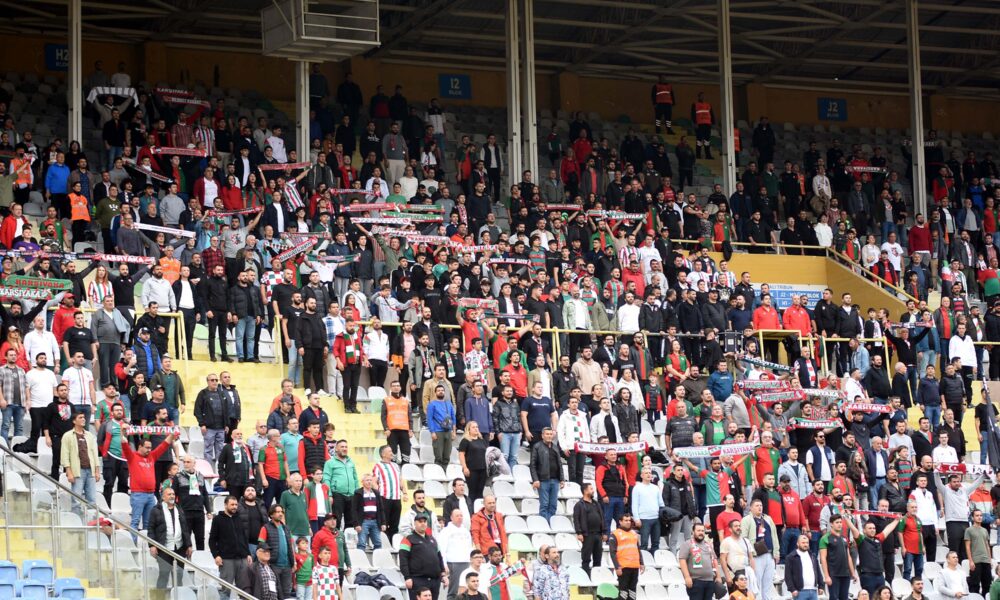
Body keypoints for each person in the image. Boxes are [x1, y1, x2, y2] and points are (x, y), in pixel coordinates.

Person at [122, 433, 176, 534]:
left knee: (149, 524)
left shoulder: (152, 456)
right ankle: (133, 543)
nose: (149, 450)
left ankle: (147, 544)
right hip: (138, 494)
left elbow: (164, 445)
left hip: (151, 495)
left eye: (150, 448)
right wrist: (122, 432)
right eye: (147, 447)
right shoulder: (132, 456)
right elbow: (124, 445)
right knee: (135, 522)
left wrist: (172, 434)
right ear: (140, 447)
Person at [149, 486, 193, 589]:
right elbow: (151, 528)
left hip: (179, 548)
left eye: (173, 494)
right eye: (169, 494)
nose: (172, 496)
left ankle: (178, 596)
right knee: (163, 576)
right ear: (163, 497)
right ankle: (160, 596)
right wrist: (152, 545)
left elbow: (185, 528)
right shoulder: (156, 510)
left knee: (178, 577)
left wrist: (189, 545)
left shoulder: (179, 508)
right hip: (164, 548)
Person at [209, 495, 251, 600]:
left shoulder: (239, 518)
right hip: (226, 560)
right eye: (232, 504)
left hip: (242, 559)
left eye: (236, 504)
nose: (234, 507)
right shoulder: (217, 519)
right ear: (225, 505)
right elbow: (212, 540)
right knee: (225, 590)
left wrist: (248, 553)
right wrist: (216, 555)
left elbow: (244, 538)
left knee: (244, 590)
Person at [399, 514, 447, 600]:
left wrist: (443, 574)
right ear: (414, 523)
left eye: (424, 521)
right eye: (420, 522)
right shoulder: (408, 539)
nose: (423, 523)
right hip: (417, 580)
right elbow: (403, 559)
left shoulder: (433, 539)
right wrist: (407, 577)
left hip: (434, 581)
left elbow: (439, 557)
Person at [742, 498, 779, 600]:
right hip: (756, 556)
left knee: (768, 584)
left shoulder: (768, 519)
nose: (760, 507)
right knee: (756, 584)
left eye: (761, 505)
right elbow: (743, 538)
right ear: (751, 508)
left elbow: (774, 536)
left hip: (769, 554)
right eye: (757, 505)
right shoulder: (746, 520)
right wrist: (749, 555)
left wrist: (776, 552)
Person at [61, 410, 99, 508]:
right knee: (76, 501)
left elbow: (95, 454)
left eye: (84, 417)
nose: (83, 419)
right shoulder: (67, 436)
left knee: (92, 500)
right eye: (80, 418)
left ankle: (91, 518)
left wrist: (97, 471)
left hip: (90, 471)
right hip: (77, 471)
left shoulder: (90, 435)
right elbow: (65, 455)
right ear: (74, 421)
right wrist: (69, 472)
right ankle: (76, 518)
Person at [174, 454, 213, 551]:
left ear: (194, 464)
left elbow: (205, 494)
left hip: (199, 511)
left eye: (188, 462)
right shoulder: (178, 476)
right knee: (185, 538)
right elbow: (173, 494)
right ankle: (183, 559)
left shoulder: (200, 476)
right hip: (185, 511)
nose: (185, 464)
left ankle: (200, 558)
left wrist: (208, 510)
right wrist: (176, 510)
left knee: (200, 538)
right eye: (184, 462)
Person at [258, 505, 296, 599]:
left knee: (286, 592)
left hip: (287, 566)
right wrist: (266, 562)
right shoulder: (265, 528)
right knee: (274, 592)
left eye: (281, 512)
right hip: (273, 565)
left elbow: (291, 546)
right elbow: (261, 546)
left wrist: (294, 562)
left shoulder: (286, 528)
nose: (280, 514)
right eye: (278, 512)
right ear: (271, 514)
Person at [679, 522, 722, 600]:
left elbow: (715, 560)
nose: (701, 533)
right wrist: (687, 577)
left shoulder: (708, 545)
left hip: (710, 581)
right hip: (696, 581)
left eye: (702, 531)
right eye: (698, 530)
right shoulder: (687, 544)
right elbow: (682, 560)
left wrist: (718, 576)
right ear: (693, 531)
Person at [530, 427, 564, 523]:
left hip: (555, 480)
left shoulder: (555, 447)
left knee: (553, 505)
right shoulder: (537, 447)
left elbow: (559, 464)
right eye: (547, 434)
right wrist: (535, 479)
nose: (549, 436)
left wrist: (562, 479)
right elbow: (532, 465)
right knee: (544, 505)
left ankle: (551, 524)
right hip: (543, 480)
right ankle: (544, 525)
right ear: (542, 435)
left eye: (550, 434)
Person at [439, 509, 475, 600]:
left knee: (465, 589)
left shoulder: (466, 531)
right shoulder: (446, 531)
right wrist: (444, 564)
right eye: (457, 516)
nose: (459, 518)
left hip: (466, 562)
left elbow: (470, 547)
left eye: (461, 515)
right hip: (453, 563)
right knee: (454, 590)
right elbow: (442, 549)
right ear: (451, 517)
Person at [819, 514, 856, 600]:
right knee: (834, 598)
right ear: (831, 524)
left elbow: (848, 557)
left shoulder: (844, 538)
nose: (839, 524)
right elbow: (823, 558)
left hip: (845, 574)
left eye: (840, 522)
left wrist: (853, 573)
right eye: (837, 522)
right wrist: (826, 576)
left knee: (844, 598)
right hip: (834, 574)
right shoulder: (825, 538)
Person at [609, 513, 643, 600]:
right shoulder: (615, 534)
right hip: (623, 567)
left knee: (632, 592)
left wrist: (641, 563)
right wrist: (617, 567)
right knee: (623, 592)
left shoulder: (633, 533)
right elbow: (612, 552)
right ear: (620, 522)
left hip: (634, 566)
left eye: (629, 520)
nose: (628, 522)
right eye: (626, 520)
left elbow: (638, 549)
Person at [573, 482, 604, 576]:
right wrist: (579, 532)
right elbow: (576, 519)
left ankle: (597, 576)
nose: (593, 490)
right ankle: (586, 576)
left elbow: (602, 517)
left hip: (598, 534)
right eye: (591, 489)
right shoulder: (579, 505)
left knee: (598, 557)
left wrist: (604, 531)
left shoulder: (596, 504)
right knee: (586, 558)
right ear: (585, 491)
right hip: (587, 535)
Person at [631, 466, 664, 553]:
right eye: (646, 473)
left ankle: (654, 558)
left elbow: (661, 503)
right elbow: (634, 504)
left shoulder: (655, 488)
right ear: (641, 475)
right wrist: (636, 519)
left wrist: (662, 515)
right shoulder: (637, 488)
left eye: (650, 473)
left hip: (656, 518)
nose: (649, 475)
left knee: (656, 543)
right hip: (644, 519)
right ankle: (644, 560)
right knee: (644, 543)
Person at [351, 473, 386, 550]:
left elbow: (381, 509)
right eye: (367, 480)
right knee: (361, 543)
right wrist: (356, 524)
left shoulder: (376, 493)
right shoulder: (358, 493)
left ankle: (377, 557)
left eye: (370, 480)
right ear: (362, 482)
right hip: (363, 522)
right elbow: (354, 510)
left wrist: (383, 523)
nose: (369, 482)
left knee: (378, 543)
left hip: (375, 521)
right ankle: (360, 557)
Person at [458, 421, 489, 503]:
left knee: (480, 492)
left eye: (477, 427)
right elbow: (461, 454)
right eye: (473, 427)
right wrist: (464, 467)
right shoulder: (465, 440)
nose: (476, 429)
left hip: (483, 469)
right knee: (472, 491)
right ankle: (471, 508)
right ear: (468, 429)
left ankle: (479, 508)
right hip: (471, 469)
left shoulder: (482, 440)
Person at [785, 534, 821, 600]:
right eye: (803, 543)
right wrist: (792, 589)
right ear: (797, 544)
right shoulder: (791, 557)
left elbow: (818, 571)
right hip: (799, 592)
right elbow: (788, 575)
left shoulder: (812, 556)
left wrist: (821, 586)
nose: (805, 544)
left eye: (807, 543)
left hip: (813, 590)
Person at [965, 509, 992, 596]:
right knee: (974, 585)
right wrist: (970, 561)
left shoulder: (985, 530)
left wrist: (990, 560)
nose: (979, 517)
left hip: (986, 561)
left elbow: (987, 546)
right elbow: (967, 546)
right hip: (976, 561)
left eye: (980, 515)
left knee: (987, 585)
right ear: (973, 517)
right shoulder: (969, 530)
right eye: (977, 515)